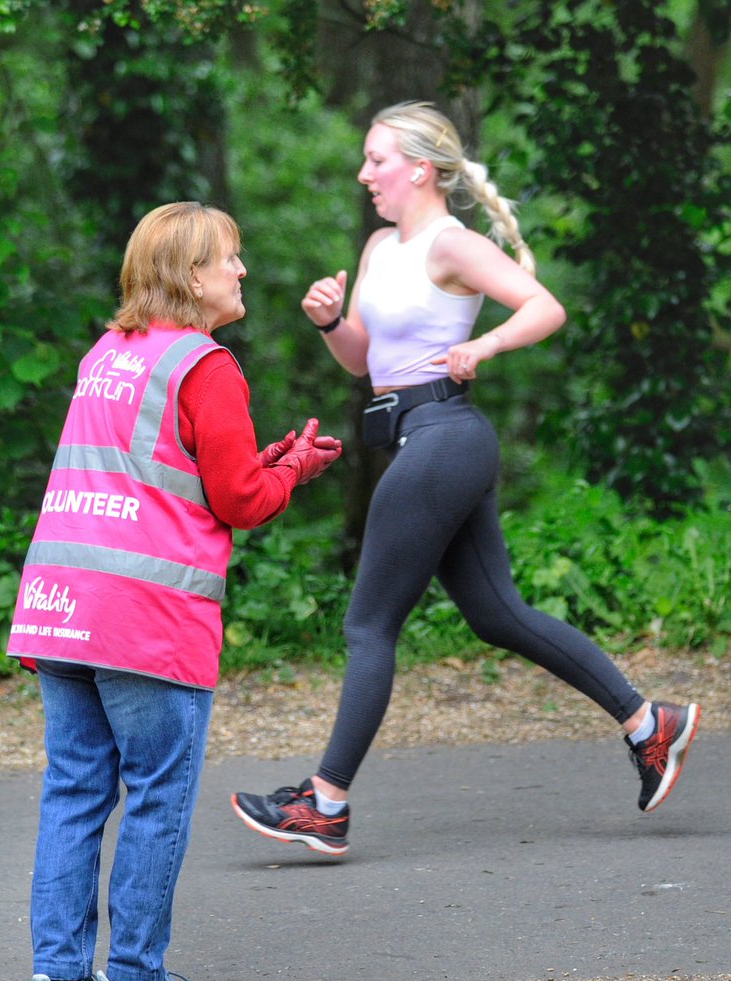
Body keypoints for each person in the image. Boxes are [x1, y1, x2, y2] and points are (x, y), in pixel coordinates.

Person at [230, 100, 700, 858]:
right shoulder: (382, 244)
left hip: (443, 437)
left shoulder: (453, 244)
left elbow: (543, 307)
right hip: (423, 438)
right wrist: (328, 322)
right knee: (495, 614)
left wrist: (484, 345)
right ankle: (651, 725)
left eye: (375, 159)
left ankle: (324, 802)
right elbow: (364, 361)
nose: (363, 174)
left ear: (418, 167)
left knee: (367, 625)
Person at [8, 201, 342, 981]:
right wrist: (292, 469)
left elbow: (158, 476)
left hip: (63, 602)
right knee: (156, 792)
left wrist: (260, 466)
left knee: (75, 792)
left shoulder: (106, 353)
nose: (240, 271)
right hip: (144, 618)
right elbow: (237, 500)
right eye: (228, 257)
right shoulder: (207, 365)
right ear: (191, 275)